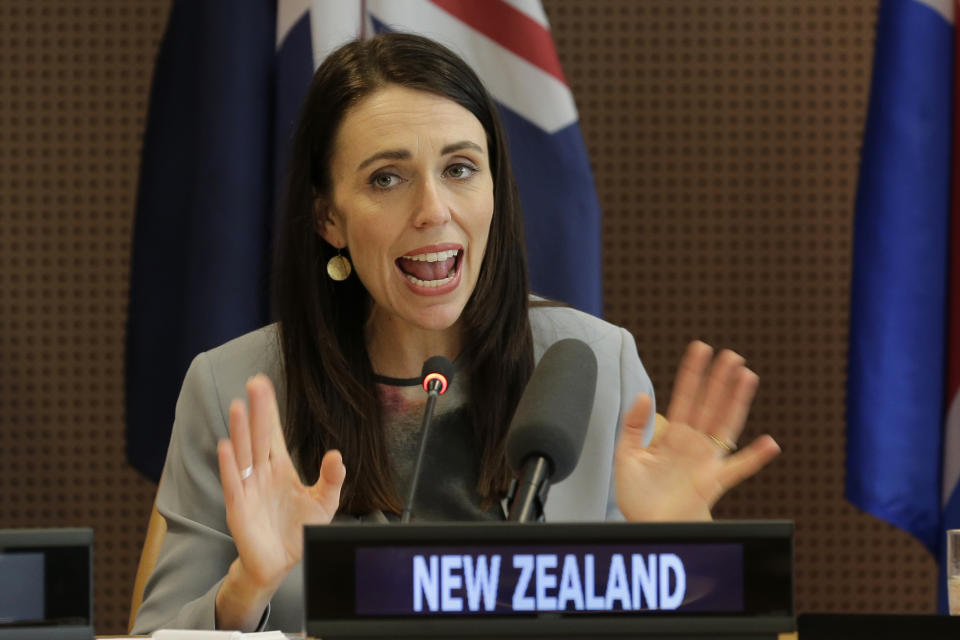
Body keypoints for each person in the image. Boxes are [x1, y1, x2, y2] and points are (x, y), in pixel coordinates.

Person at [131, 33, 781, 634]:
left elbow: (688, 623)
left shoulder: (591, 363)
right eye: (387, 178)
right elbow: (156, 634)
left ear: (495, 189)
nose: (434, 211)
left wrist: (682, 548)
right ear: (328, 218)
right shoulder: (235, 388)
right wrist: (248, 586)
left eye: (460, 168)